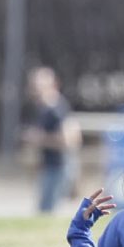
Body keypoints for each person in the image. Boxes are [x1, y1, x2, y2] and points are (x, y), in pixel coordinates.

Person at [24, 66, 81, 212]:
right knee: (43, 210)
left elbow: (70, 140)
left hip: (59, 167)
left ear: (53, 85)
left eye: (40, 86)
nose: (36, 90)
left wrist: (40, 138)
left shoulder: (58, 108)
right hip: (49, 166)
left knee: (48, 212)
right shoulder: (43, 109)